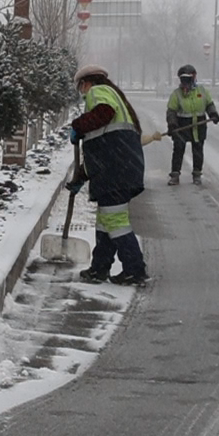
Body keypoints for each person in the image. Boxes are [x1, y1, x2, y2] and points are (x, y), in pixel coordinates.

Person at [66, 64, 149, 286]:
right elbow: (102, 148)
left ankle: (135, 270)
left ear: (86, 82)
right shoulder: (115, 97)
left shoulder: (98, 91)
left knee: (115, 220)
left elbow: (104, 112)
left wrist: (78, 125)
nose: (82, 93)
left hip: (116, 172)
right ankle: (99, 269)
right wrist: (80, 178)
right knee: (105, 221)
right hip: (119, 169)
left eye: (80, 88)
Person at [165, 63, 219, 186]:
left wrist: (213, 114)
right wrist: (172, 125)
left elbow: (209, 104)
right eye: (183, 79)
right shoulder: (177, 94)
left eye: (188, 79)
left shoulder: (202, 91)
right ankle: (175, 175)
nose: (186, 83)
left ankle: (197, 174)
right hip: (181, 126)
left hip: (199, 125)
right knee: (178, 149)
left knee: (198, 150)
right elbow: (171, 111)